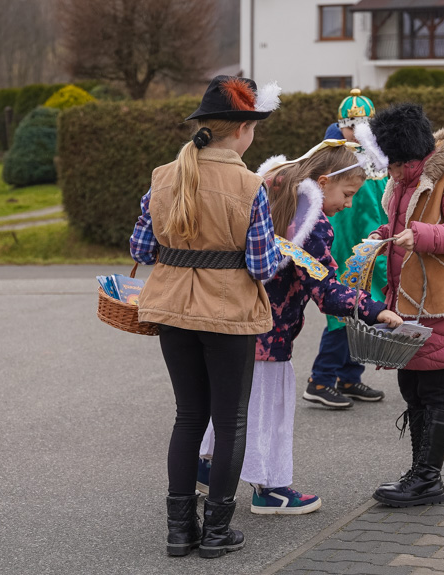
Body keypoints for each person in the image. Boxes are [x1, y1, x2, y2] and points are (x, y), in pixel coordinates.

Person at [197, 140, 403, 515]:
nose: (350, 204)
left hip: (234, 327)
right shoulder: (313, 224)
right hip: (270, 338)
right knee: (267, 413)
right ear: (323, 182)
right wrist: (374, 309)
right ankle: (270, 489)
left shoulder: (273, 202)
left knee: (232, 407)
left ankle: (206, 467)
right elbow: (325, 289)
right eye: (348, 193)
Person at [130, 75, 282, 558]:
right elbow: (261, 264)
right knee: (230, 420)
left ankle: (180, 531)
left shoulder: (162, 176)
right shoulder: (249, 184)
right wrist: (280, 251)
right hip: (228, 312)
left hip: (172, 307)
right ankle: (216, 532)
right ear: (241, 130)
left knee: (188, 416)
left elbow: (139, 247)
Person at [362, 103, 444, 507]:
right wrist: (383, 234)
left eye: (395, 165)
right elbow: (404, 229)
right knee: (411, 386)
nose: (391, 174)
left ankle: (428, 479)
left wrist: (419, 235)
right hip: (411, 302)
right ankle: (419, 473)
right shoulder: (406, 179)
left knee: (434, 389)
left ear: (412, 155)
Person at [305, 89, 390, 409]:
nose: (357, 132)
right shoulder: (332, 158)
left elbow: (375, 208)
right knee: (342, 316)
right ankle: (321, 378)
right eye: (352, 126)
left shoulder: (375, 158)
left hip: (369, 246)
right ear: (341, 125)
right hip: (341, 248)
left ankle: (349, 376)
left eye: (364, 126)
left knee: (366, 312)